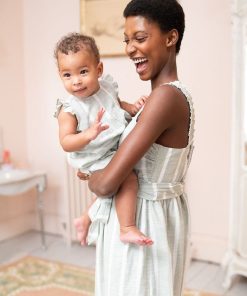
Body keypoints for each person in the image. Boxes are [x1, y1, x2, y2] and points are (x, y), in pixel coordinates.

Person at [77, 0, 195, 295]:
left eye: (140, 38)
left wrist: (91, 175)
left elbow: (106, 184)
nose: (130, 48)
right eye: (127, 40)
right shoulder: (161, 98)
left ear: (170, 37)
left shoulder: (165, 99)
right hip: (152, 214)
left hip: (143, 220)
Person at [54, 32, 153, 246]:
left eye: (83, 72)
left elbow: (116, 105)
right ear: (60, 75)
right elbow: (66, 141)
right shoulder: (70, 109)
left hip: (110, 148)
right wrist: (88, 134)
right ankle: (127, 228)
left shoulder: (105, 88)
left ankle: (85, 218)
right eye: (67, 75)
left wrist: (132, 108)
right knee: (127, 179)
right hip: (93, 156)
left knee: (115, 184)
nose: (76, 81)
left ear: (98, 70)